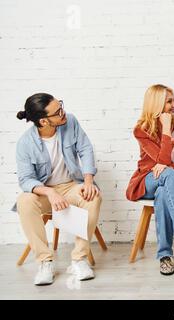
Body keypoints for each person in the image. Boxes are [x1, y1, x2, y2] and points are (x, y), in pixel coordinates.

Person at [14, 93, 102, 285]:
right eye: (57, 111)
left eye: (60, 106)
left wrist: (88, 180)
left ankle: (79, 259)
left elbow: (85, 148)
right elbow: (26, 179)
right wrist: (50, 192)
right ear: (44, 121)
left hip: (71, 185)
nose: (63, 112)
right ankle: (45, 262)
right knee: (24, 201)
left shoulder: (70, 121)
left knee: (93, 196)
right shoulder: (25, 144)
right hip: (45, 192)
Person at [126, 84, 174, 276]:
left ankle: (164, 256)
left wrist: (170, 166)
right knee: (167, 175)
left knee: (164, 191)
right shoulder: (141, 129)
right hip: (147, 180)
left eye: (173, 100)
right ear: (157, 103)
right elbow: (161, 161)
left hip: (169, 181)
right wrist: (167, 129)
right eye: (169, 101)